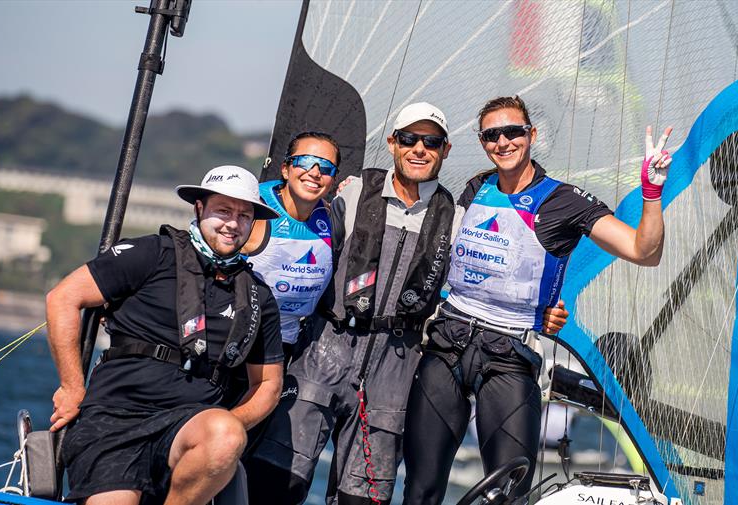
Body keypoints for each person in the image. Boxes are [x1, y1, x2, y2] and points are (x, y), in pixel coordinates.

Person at [246, 102, 569, 505]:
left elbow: (499, 273)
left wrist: (544, 312)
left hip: (395, 366)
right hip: (324, 348)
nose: (419, 148)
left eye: (431, 142)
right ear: (392, 144)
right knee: (277, 483)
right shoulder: (352, 190)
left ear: (445, 150)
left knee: (362, 499)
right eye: (409, 139)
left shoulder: (459, 215)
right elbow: (290, 222)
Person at [401, 95, 672, 504]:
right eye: (492, 135)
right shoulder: (477, 187)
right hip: (447, 344)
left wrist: (652, 191)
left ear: (531, 135)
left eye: (513, 132)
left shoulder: (565, 200)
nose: (503, 142)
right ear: (482, 142)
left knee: (509, 494)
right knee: (420, 489)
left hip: (508, 355)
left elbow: (644, 252)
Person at [46, 165, 285, 504]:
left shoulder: (259, 296)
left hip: (188, 427)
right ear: (199, 208)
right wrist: (72, 387)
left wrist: (225, 432)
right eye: (223, 210)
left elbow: (267, 385)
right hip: (115, 420)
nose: (233, 223)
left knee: (226, 435)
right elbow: (63, 298)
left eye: (244, 215)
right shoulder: (152, 253)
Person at [241, 131, 340, 366]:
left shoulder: (330, 216)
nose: (315, 172)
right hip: (235, 337)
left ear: (333, 179)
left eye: (326, 167)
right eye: (305, 162)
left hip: (283, 345)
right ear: (286, 169)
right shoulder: (255, 207)